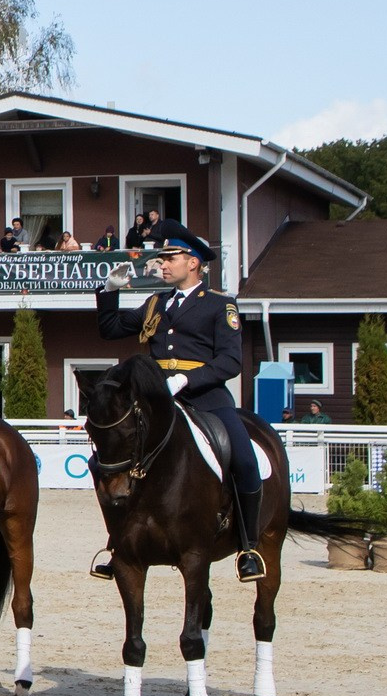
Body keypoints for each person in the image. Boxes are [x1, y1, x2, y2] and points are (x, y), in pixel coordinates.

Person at [96, 221, 263, 582]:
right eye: (163, 258)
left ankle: (249, 547)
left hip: (205, 398)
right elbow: (110, 329)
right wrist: (109, 290)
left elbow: (231, 362)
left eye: (171, 258)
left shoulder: (220, 305)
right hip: (158, 401)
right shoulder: (156, 303)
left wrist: (188, 378)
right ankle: (118, 543)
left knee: (245, 460)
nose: (163, 264)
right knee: (113, 460)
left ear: (194, 262)